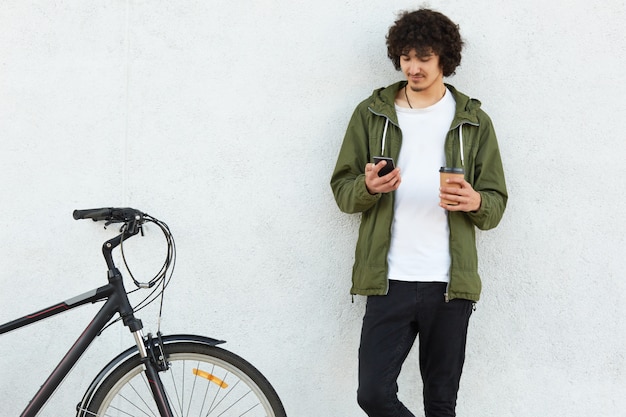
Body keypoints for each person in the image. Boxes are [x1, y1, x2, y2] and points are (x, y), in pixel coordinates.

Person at [330, 8, 508, 417]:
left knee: (441, 404)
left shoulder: (473, 122)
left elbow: (495, 202)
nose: (413, 67)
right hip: (388, 278)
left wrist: (476, 202)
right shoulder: (371, 113)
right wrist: (367, 187)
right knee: (373, 394)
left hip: (449, 282)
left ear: (444, 58)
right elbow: (342, 191)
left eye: (424, 57)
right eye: (407, 57)